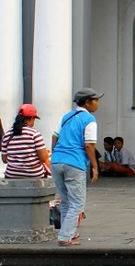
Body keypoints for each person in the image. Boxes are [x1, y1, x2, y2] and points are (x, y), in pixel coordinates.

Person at [50, 89, 102, 247]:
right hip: (75, 163)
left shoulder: (66, 116)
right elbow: (89, 145)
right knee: (77, 203)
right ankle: (65, 236)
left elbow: (54, 136)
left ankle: (69, 232)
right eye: (95, 100)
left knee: (65, 201)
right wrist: (95, 166)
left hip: (57, 161)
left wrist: (56, 154)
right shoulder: (89, 119)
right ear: (87, 102)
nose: (97, 103)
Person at [0, 104, 50, 179]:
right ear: (32, 118)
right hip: (34, 175)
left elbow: (4, 160)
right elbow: (43, 158)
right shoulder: (35, 134)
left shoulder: (7, 135)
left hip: (12, 175)